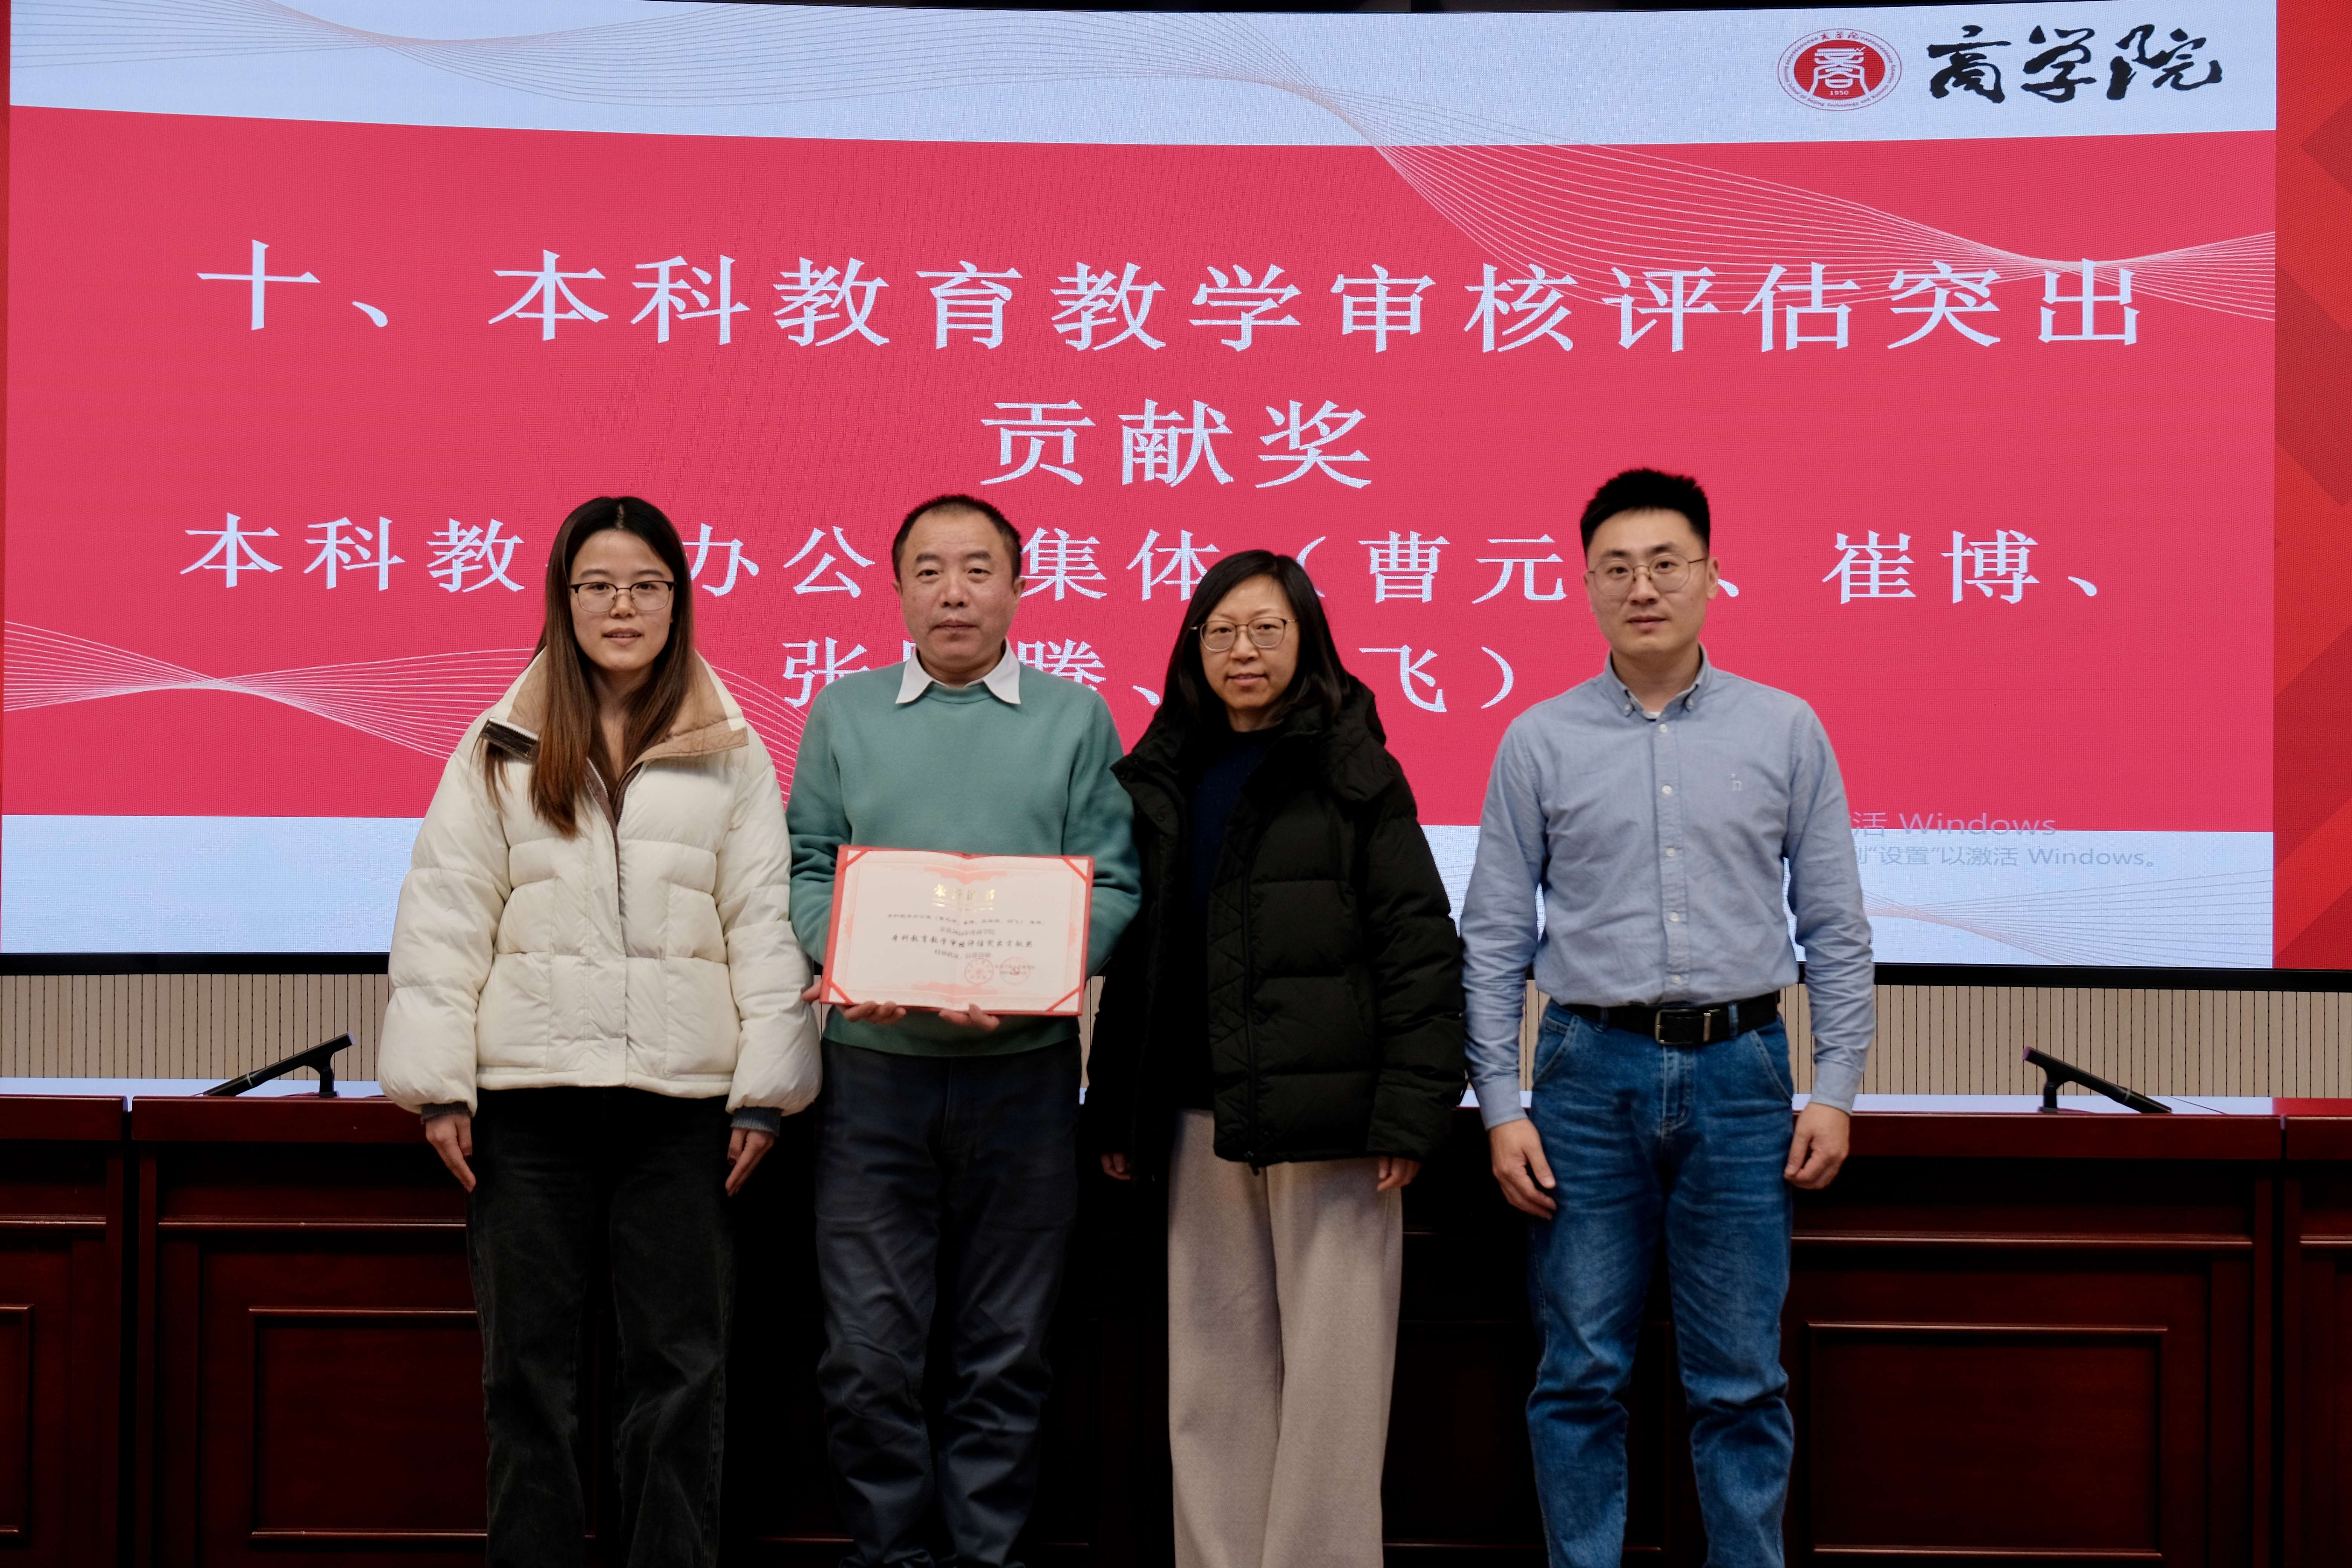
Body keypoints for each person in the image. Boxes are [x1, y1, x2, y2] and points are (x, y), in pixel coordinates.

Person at [378, 495, 821, 1568]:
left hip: (683, 1113)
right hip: (529, 1109)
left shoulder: (732, 749)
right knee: (526, 1379)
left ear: (679, 600)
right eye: (598, 587)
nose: (623, 608)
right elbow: (446, 911)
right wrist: (439, 1083)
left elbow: (763, 922)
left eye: (646, 586)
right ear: (563, 601)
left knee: (680, 1374)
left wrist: (768, 1089)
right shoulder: (500, 743)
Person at [1459, 469, 1874, 1568]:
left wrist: (1835, 1089)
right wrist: (1500, 1104)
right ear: (1588, 585)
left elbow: (1836, 926)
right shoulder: (1537, 740)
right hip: (1585, 1075)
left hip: (1744, 1072)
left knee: (1742, 1380)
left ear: (1711, 575)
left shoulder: (1786, 729)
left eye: (1665, 564)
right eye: (1617, 568)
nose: (1641, 587)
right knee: (1579, 1374)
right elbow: (1493, 938)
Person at [1088, 550, 1465, 1568]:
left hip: (1333, 1131)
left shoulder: (1356, 771)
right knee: (1212, 1385)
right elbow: (1141, 961)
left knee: (1335, 1387)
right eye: (1220, 631)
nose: (1243, 650)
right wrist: (1119, 1108)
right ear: (1193, 650)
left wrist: (1411, 1113)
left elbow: (1419, 948)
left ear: (1309, 643)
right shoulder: (1164, 775)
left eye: (1267, 629)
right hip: (1196, 1119)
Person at [784, 493, 1141, 1568]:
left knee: (1007, 1352)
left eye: (978, 570)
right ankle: (891, 1556)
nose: (954, 593)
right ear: (897, 590)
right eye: (930, 571)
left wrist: (1040, 977)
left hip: (1024, 1081)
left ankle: (987, 1558)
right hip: (873, 1079)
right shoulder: (844, 714)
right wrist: (850, 958)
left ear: (1019, 589)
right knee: (867, 1355)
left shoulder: (1075, 718)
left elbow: (1116, 882)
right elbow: (807, 867)